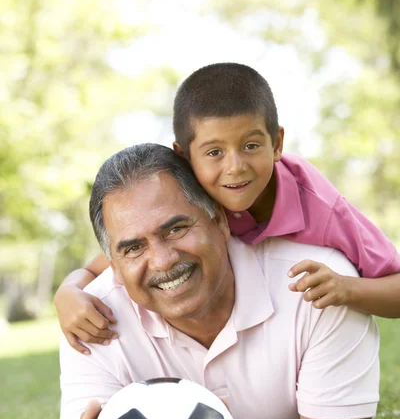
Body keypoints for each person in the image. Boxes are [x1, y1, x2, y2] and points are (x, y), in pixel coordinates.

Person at [52, 144, 379, 419]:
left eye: (176, 228)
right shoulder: (91, 319)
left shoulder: (317, 285)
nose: (162, 261)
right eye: (133, 248)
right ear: (114, 265)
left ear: (221, 221)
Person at [54, 63, 400, 355]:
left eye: (251, 145)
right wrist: (68, 293)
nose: (235, 168)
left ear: (277, 143)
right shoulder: (195, 197)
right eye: (214, 152)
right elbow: (110, 261)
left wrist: (347, 289)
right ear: (184, 155)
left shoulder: (322, 209)